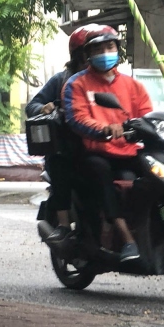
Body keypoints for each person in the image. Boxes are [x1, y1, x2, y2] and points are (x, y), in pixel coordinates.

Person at [62, 27, 153, 263]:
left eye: (110, 47)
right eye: (99, 49)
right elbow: (77, 118)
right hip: (94, 153)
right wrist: (104, 129)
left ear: (118, 50)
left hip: (129, 151)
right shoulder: (77, 84)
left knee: (156, 172)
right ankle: (126, 240)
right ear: (88, 54)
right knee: (100, 172)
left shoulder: (134, 86)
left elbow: (147, 116)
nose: (105, 53)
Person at [27, 23, 105, 245]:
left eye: (105, 50)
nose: (99, 56)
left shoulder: (107, 80)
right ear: (81, 53)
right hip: (68, 147)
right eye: (93, 51)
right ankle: (63, 225)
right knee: (60, 165)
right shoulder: (62, 80)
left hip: (101, 145)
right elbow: (33, 105)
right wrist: (45, 108)